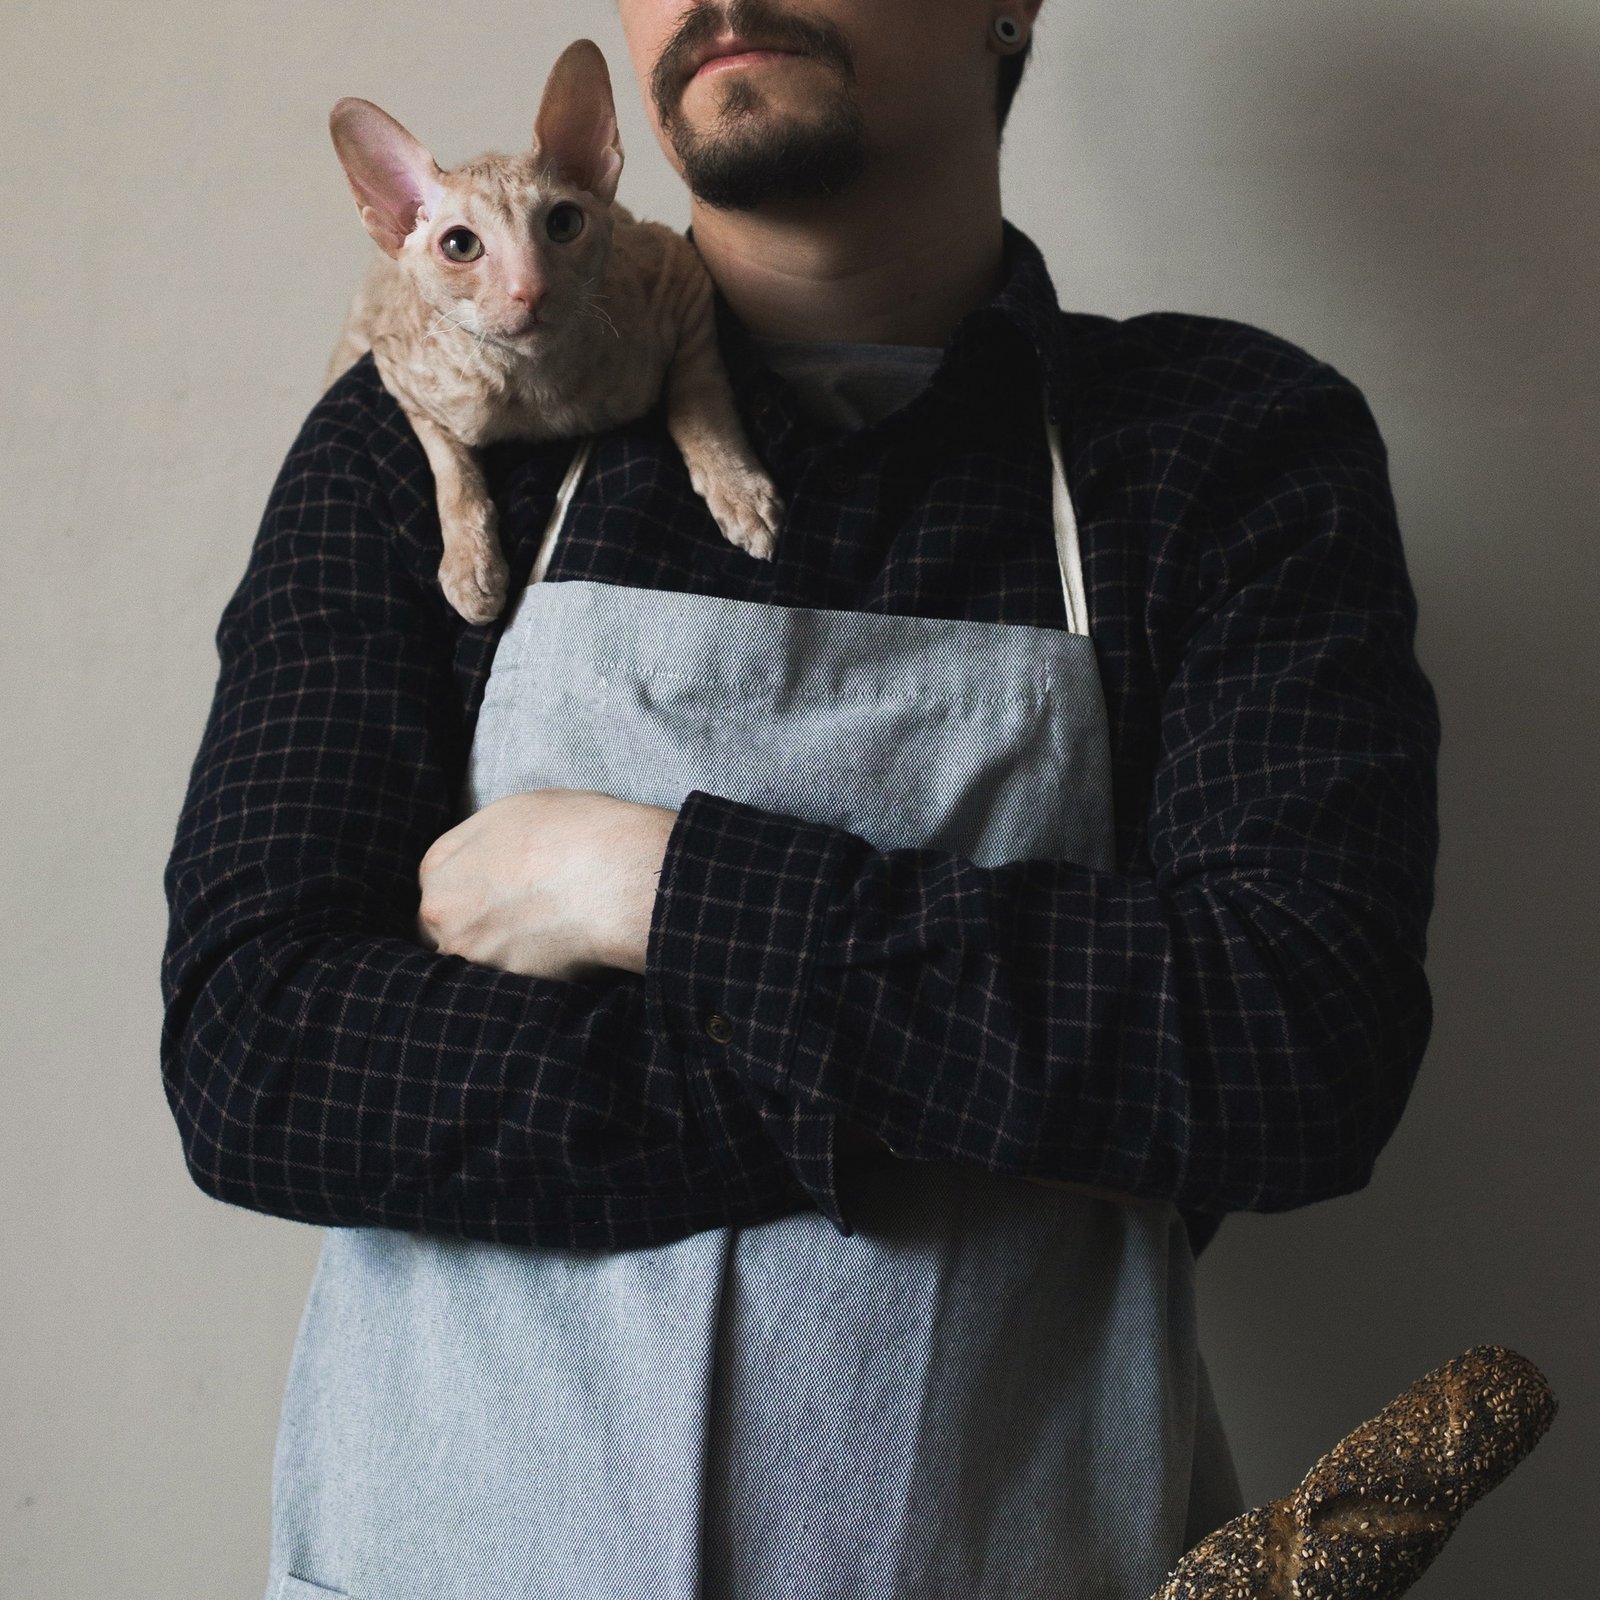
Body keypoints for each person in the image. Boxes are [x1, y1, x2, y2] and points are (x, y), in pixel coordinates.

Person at [159, 2, 1442, 1597]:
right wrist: (965, 1103)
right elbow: (260, 1052)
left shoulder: (1220, 448)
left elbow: (1293, 1043)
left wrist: (657, 888)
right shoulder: (428, 445)